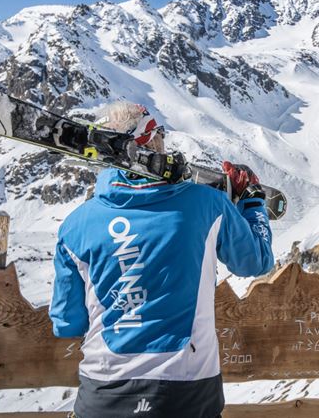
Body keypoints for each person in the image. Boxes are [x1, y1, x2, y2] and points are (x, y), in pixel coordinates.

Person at [49, 101, 274, 417]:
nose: (164, 141)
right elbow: (256, 261)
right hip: (187, 392)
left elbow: (67, 323)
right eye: (160, 133)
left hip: (103, 394)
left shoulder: (76, 225)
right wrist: (251, 201)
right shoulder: (208, 205)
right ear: (150, 140)